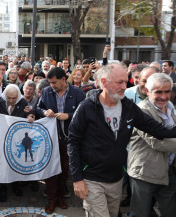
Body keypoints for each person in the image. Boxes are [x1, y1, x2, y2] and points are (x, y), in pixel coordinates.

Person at [67, 63, 176, 217]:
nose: (125, 86)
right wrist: (77, 179)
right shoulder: (87, 107)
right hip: (92, 179)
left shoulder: (129, 107)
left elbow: (158, 129)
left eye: (126, 81)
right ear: (104, 82)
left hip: (116, 179)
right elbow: (73, 142)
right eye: (120, 82)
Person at [37, 67, 85, 213]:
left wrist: (68, 115)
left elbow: (84, 112)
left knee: (64, 169)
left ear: (64, 79)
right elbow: (38, 108)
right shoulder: (46, 92)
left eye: (54, 82)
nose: (51, 85)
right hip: (51, 137)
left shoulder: (77, 93)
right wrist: (45, 112)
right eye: (50, 83)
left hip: (69, 138)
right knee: (51, 169)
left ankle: (60, 196)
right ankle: (51, 199)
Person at [128, 73, 176, 217]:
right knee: (140, 213)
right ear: (147, 91)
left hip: (168, 170)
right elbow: (158, 142)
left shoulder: (170, 106)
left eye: (167, 91)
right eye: (158, 92)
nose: (163, 96)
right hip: (145, 172)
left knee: (170, 212)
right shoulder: (142, 110)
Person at [0, 84, 35, 202]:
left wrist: (30, 116)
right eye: (8, 97)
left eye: (13, 98)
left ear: (18, 97)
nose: (10, 100)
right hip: (1, 139)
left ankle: (16, 185)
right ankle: (3, 189)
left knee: (15, 162)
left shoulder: (23, 102)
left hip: (16, 141)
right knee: (1, 164)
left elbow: (28, 116)